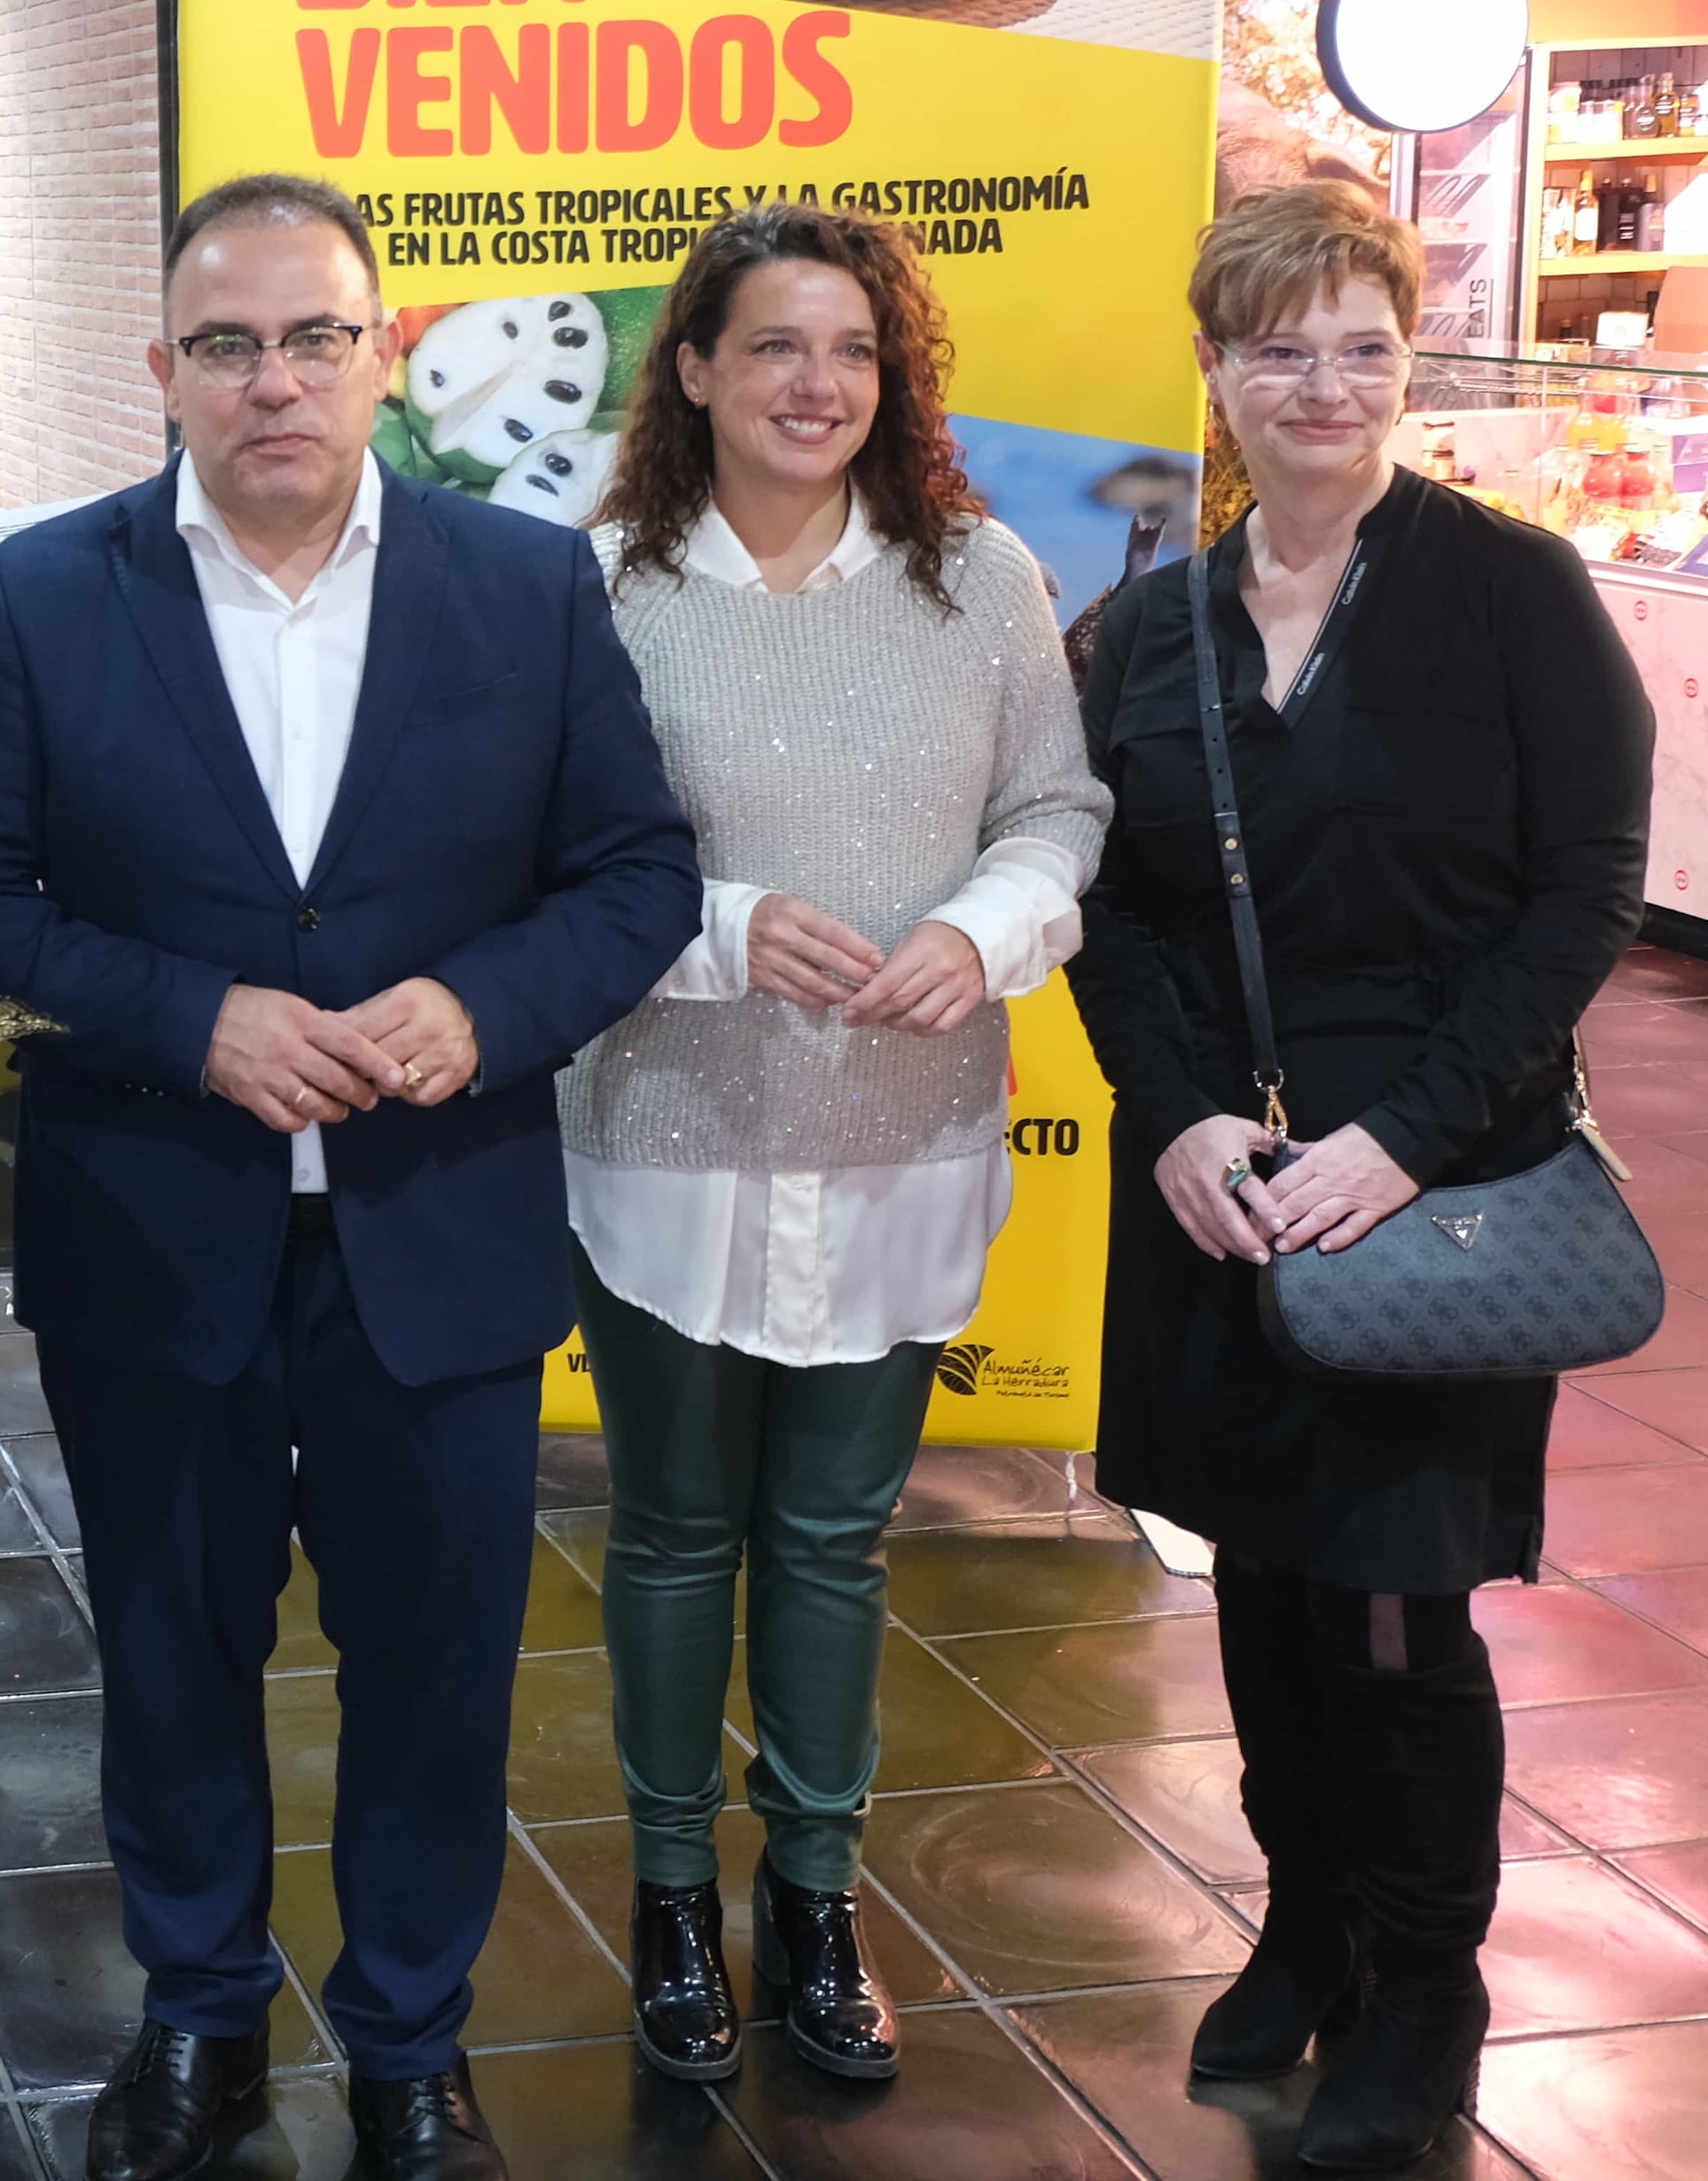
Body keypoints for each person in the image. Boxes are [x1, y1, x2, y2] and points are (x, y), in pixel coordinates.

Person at [0, 174, 701, 2181]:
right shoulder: (45, 590)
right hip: (152, 1220)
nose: (274, 379)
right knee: (173, 1648)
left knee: (435, 1667)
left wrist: (475, 1002)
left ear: (383, 352)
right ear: (161, 368)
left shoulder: (523, 587)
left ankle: (411, 2043)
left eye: (315, 337)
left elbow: (634, 876)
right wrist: (194, 1016)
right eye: (228, 344)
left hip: (438, 1221)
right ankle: (198, 2016)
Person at [1070, 183, 1650, 2175]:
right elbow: (1114, 912)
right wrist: (1176, 1118)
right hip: (1225, 1193)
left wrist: (1397, 1140)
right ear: (1214, 370)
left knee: (1396, 1609)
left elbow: (1582, 889)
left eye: (1359, 346)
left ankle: (1427, 1975)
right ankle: (1301, 1914)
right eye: (1275, 346)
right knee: (1255, 1579)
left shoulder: (1512, 590)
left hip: (1436, 1189)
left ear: (1408, 362)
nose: (1319, 384)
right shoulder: (1145, 624)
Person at [558, 207, 1108, 2085]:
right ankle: (659, 1893)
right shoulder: (602, 585)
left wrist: (984, 926)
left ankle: (809, 1889)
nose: (818, 384)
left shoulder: (979, 574)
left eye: (854, 350)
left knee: (830, 1540)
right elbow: (544, 852)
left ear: (895, 377)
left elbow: (1056, 803)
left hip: (901, 1135)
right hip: (666, 1132)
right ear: (692, 367)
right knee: (667, 1532)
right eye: (776, 346)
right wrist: (716, 923)